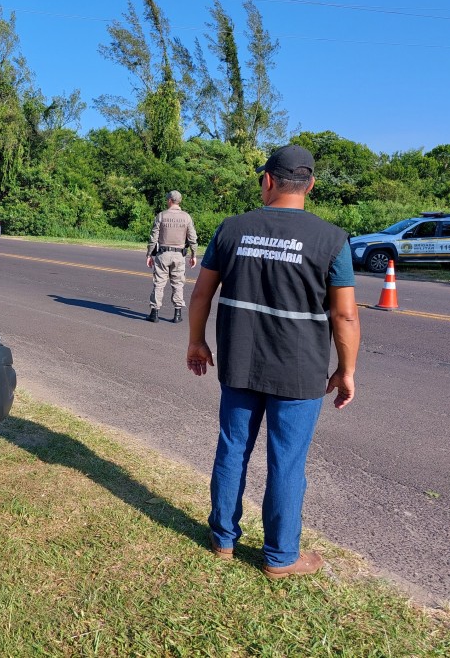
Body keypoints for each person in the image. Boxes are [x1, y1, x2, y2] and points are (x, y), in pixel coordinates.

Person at [186, 144, 360, 579]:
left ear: (267, 180)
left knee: (232, 448)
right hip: (300, 372)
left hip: (240, 363)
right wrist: (346, 371)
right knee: (287, 461)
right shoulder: (332, 240)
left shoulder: (231, 229)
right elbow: (345, 314)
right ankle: (280, 557)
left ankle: (223, 539)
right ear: (311, 185)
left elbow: (202, 293)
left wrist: (197, 343)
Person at [146, 190, 198, 323]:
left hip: (163, 254)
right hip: (179, 255)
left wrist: (149, 254)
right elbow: (192, 238)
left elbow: (154, 237)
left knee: (159, 283)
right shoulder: (186, 217)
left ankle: (155, 313)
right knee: (178, 284)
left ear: (170, 200)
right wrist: (194, 254)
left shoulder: (161, 216)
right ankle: (177, 314)